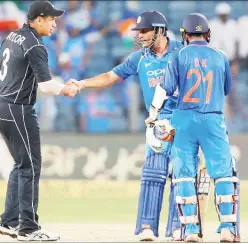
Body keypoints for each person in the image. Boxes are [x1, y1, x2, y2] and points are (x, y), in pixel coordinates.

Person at [69, 11, 182, 241]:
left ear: (159, 30)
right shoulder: (139, 58)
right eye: (138, 31)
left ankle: (179, 227)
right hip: (157, 124)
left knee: (182, 176)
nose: (139, 36)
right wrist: (82, 83)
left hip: (183, 122)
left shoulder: (183, 52)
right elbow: (110, 77)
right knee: (153, 175)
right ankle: (147, 228)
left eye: (143, 31)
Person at [148, 13, 240, 242]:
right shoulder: (221, 57)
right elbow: (226, 88)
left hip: (184, 119)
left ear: (185, 35)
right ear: (208, 34)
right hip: (213, 119)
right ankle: (228, 228)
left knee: (184, 175)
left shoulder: (178, 56)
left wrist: (152, 114)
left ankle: (189, 231)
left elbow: (164, 89)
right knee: (224, 174)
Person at [0, 1, 79, 241]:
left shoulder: (11, 36)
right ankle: (28, 228)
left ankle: (9, 222)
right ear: (38, 19)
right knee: (30, 166)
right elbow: (47, 86)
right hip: (18, 109)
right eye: (51, 19)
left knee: (20, 165)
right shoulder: (35, 45)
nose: (55, 23)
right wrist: (66, 90)